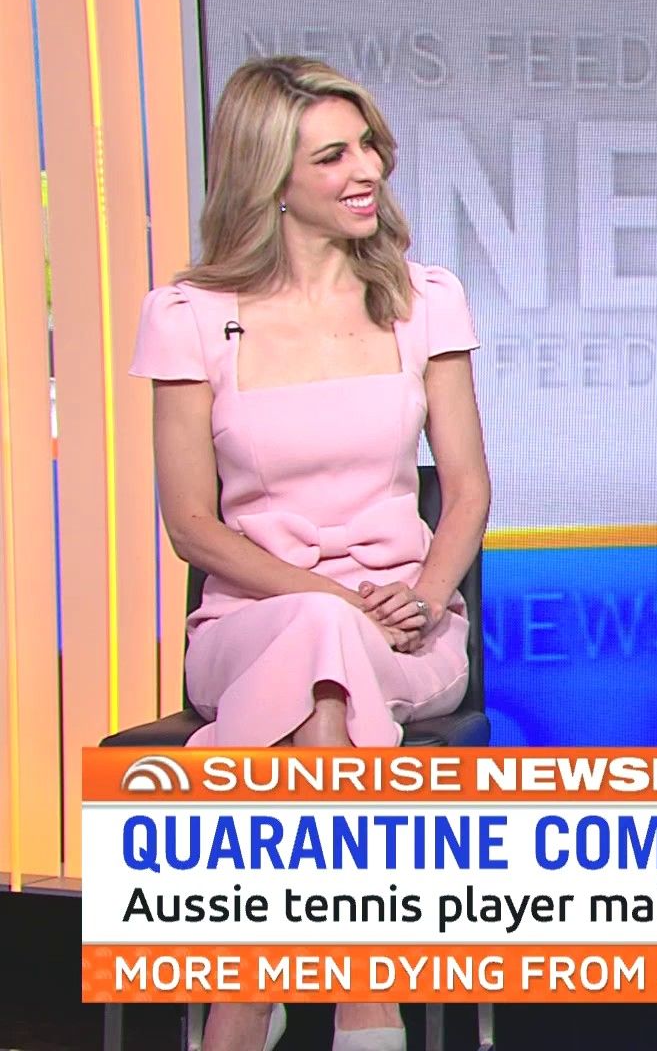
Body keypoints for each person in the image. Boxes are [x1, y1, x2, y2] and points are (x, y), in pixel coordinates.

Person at [131, 56, 490, 1051]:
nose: (365, 168)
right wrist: (330, 598)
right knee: (318, 645)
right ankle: (364, 996)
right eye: (332, 155)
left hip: (404, 634)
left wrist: (425, 596)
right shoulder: (190, 316)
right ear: (271, 179)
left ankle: (245, 996)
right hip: (247, 627)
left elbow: (466, 490)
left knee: (326, 677)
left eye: (367, 144)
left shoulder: (423, 300)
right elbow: (192, 525)